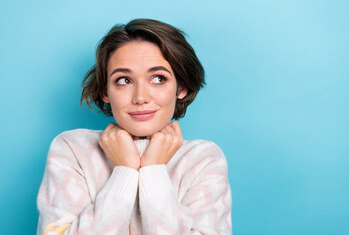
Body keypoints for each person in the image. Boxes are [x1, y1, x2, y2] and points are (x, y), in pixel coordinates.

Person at [36, 18, 232, 235]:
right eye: (124, 80)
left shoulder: (203, 159)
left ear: (181, 86)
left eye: (158, 78)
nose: (140, 97)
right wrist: (124, 171)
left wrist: (154, 170)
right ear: (105, 91)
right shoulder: (72, 150)